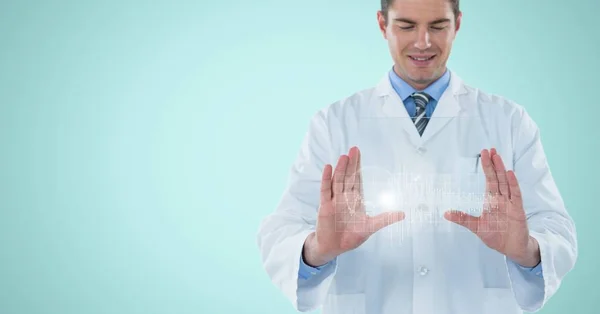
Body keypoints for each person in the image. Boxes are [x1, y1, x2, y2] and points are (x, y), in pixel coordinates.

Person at [256, 0, 578, 313]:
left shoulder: (508, 122)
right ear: (383, 25)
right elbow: (280, 231)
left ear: (458, 25)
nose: (422, 42)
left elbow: (556, 228)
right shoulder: (333, 124)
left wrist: (526, 250)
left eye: (438, 26)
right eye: (406, 26)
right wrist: (318, 249)